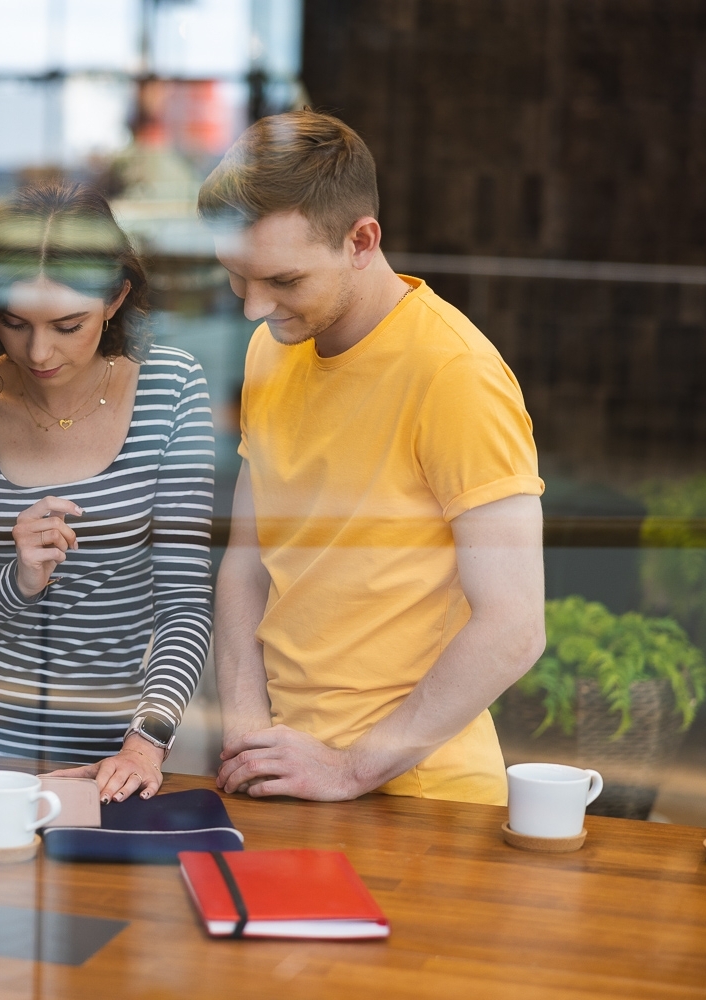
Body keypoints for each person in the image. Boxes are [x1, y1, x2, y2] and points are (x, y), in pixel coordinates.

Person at [202, 111, 546, 806]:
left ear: (361, 240)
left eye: (284, 280)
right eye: (238, 278)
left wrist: (350, 769)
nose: (253, 308)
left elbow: (514, 626)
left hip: (420, 792)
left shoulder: (454, 373)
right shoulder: (275, 343)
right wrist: (245, 727)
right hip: (290, 770)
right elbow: (245, 562)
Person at [0, 183, 214, 803]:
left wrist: (147, 740)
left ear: (116, 299)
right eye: (14, 322)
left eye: (68, 325)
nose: (39, 352)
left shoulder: (171, 388)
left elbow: (184, 609)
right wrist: (13, 586)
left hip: (103, 760)